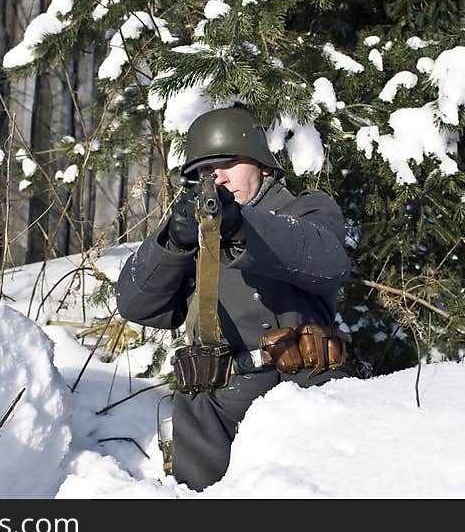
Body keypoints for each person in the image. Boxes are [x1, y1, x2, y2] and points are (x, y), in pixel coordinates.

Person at [115, 106, 353, 491]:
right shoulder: (189, 231)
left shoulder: (305, 210)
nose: (217, 177)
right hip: (209, 412)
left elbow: (327, 259)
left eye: (227, 162)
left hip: (302, 392)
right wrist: (173, 244)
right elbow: (134, 303)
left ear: (263, 166)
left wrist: (241, 226)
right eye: (203, 172)